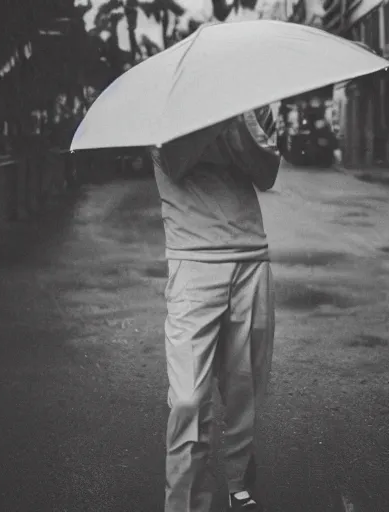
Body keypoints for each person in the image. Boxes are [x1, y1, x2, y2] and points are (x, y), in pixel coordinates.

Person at [149, 105, 280, 512]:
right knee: (188, 398)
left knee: (245, 391)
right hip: (192, 261)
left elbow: (266, 172)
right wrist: (217, 114)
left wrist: (242, 115)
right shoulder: (165, 105)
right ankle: (184, 503)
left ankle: (240, 484)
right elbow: (174, 161)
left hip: (250, 256)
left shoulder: (254, 104)